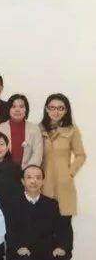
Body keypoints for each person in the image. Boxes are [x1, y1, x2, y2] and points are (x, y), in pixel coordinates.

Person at [6, 165, 73, 260]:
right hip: (23, 249)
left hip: (47, 250)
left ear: (43, 181)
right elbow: (8, 230)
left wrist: (61, 247)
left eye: (38, 178)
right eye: (29, 177)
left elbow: (63, 229)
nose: (33, 181)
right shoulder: (13, 203)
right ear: (23, 181)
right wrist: (18, 247)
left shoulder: (51, 204)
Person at [40, 93, 86, 233]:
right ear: (46, 109)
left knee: (63, 227)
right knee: (44, 227)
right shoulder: (38, 129)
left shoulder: (72, 130)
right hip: (43, 184)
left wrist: (70, 173)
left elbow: (81, 155)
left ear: (66, 111)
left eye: (61, 108)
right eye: (52, 108)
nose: (56, 111)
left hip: (64, 185)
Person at [0, 94, 43, 168]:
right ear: (8, 109)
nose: (17, 110)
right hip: (3, 170)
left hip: (28, 171)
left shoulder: (35, 129)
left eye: (21, 107)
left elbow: (37, 154)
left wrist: (29, 170)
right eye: (13, 107)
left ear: (26, 110)